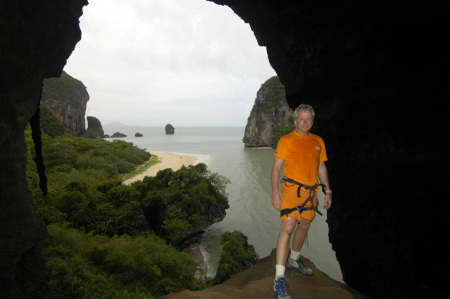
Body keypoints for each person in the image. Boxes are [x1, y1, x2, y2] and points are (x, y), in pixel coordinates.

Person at [271, 104, 332, 299]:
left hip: (311, 192)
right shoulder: (286, 140)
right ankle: (279, 279)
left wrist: (328, 190)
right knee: (288, 226)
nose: (305, 123)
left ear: (312, 121)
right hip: (291, 189)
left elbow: (321, 167)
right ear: (295, 120)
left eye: (309, 119)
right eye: (301, 119)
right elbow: (276, 168)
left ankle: (294, 260)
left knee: (304, 225)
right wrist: (275, 194)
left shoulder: (318, 141)